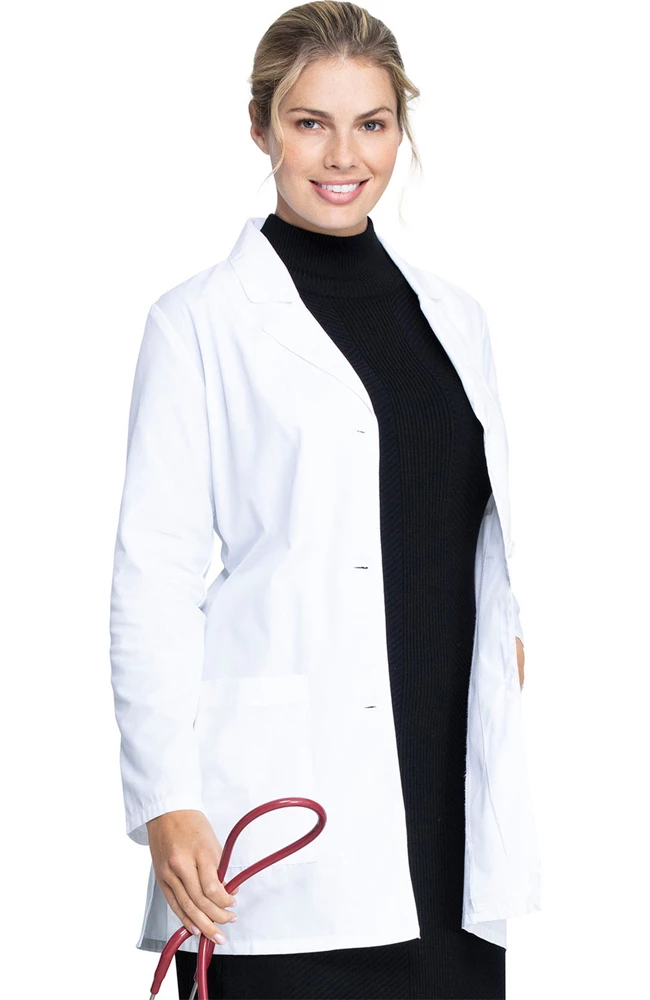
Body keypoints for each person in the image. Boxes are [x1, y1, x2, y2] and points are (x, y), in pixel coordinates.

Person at [110, 3, 539, 999]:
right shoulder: (198, 322)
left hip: (450, 793)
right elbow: (153, 572)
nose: (344, 155)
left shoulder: (457, 318)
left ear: (400, 130)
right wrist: (165, 799)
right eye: (310, 122)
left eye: (371, 123)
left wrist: (506, 636)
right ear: (260, 127)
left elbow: (467, 528)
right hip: (286, 795)